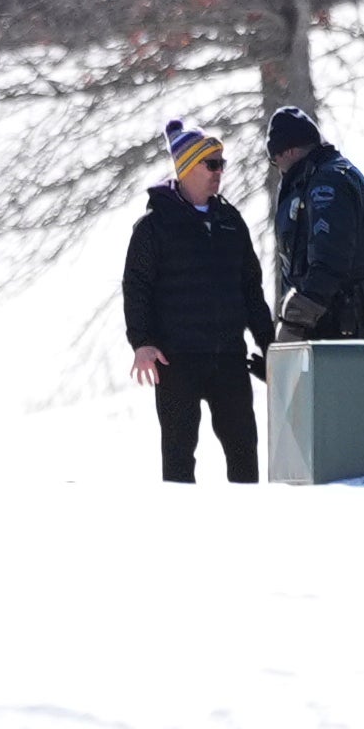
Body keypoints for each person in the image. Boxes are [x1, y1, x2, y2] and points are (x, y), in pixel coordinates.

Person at [123, 119, 274, 483]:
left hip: (229, 359)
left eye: (222, 163)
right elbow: (136, 287)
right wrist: (141, 342)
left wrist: (271, 347)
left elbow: (252, 290)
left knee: (244, 452)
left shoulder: (231, 221)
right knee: (178, 457)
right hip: (177, 360)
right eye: (211, 164)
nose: (219, 172)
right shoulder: (153, 227)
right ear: (188, 167)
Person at [262, 105, 364, 342]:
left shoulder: (326, 184)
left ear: (286, 152)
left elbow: (331, 258)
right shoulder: (328, 176)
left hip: (337, 327)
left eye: (274, 159)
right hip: (338, 323)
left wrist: (299, 318)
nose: (278, 168)